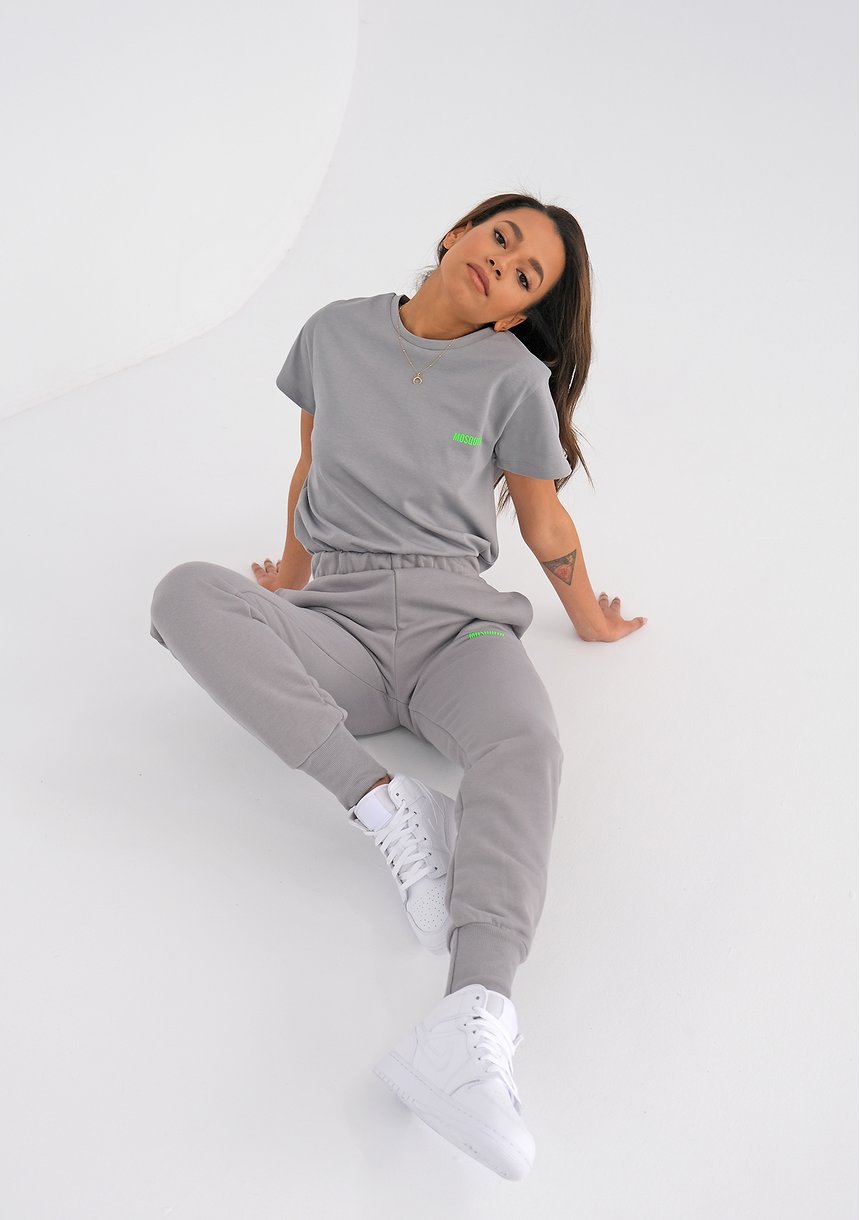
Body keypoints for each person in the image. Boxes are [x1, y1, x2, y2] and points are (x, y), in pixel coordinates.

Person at [149, 191, 647, 1181]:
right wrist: (289, 581)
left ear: (516, 312)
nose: (501, 264)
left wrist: (588, 616)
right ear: (458, 232)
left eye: (524, 276)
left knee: (528, 744)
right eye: (500, 238)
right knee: (181, 594)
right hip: (334, 621)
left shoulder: (511, 380)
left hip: (456, 625)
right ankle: (385, 804)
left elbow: (543, 523)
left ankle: (473, 1020)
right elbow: (308, 465)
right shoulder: (334, 332)